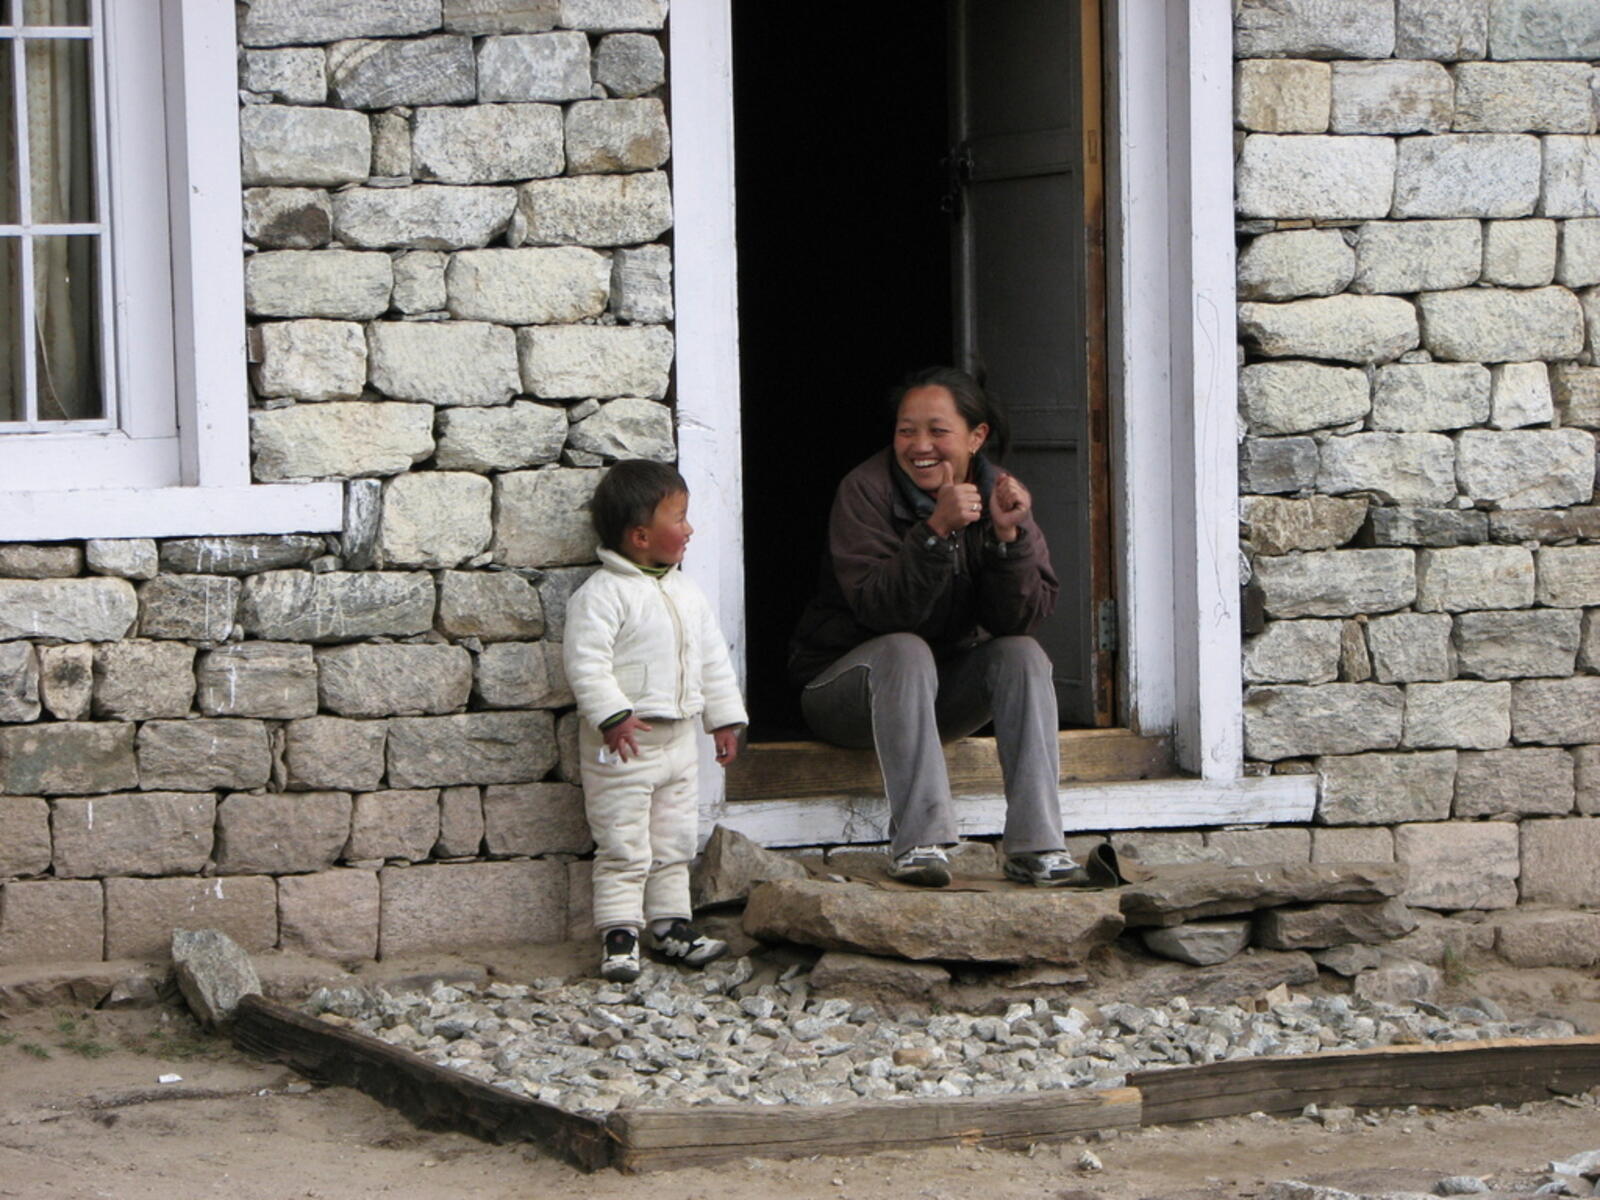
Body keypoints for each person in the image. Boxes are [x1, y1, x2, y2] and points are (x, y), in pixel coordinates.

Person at [788, 366, 1087, 889]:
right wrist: (935, 532)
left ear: (977, 437)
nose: (920, 445)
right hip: (844, 695)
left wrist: (1007, 537)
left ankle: (1037, 846)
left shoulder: (1001, 494)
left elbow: (1018, 619)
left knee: (1023, 654)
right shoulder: (864, 490)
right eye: (906, 430)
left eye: (938, 431)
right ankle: (920, 843)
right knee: (904, 649)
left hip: (934, 699)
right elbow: (884, 612)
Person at [564, 460, 749, 982]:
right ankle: (619, 933)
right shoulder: (602, 596)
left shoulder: (686, 593)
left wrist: (724, 720)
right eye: (680, 518)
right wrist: (613, 717)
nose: (690, 529)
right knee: (624, 842)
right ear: (641, 536)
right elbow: (586, 663)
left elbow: (712, 660)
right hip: (626, 746)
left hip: (679, 743)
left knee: (673, 840)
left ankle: (671, 926)